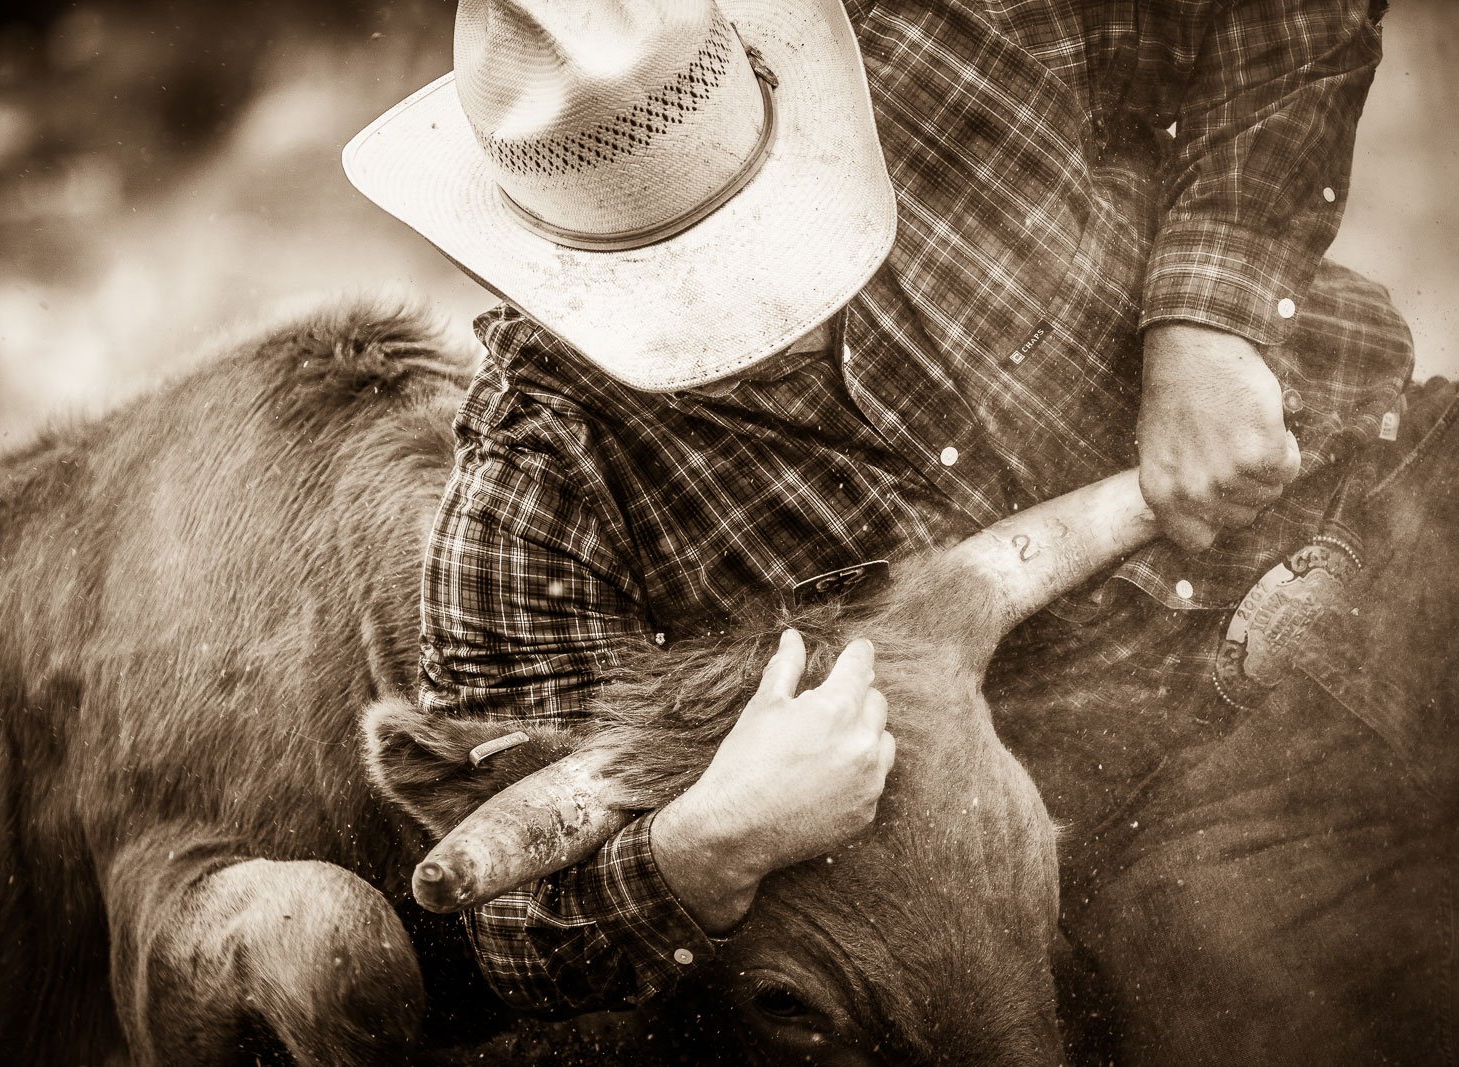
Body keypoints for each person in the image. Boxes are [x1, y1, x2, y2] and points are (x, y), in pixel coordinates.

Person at [344, 0, 1438, 1059]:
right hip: (1182, 800)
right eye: (662, 272)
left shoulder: (946, 29)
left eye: (749, 216)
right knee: (1225, 981)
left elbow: (1284, 21)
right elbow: (501, 928)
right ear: (548, 262)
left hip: (1401, 487)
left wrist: (1216, 311)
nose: (759, 308)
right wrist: (708, 841)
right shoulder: (537, 488)